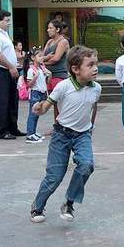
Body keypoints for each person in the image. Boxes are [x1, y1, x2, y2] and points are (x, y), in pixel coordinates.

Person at [29, 45, 101, 223]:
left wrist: (90, 126)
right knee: (54, 176)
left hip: (83, 135)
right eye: (90, 65)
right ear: (75, 69)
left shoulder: (96, 88)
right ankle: (37, 206)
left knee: (86, 165)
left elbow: (93, 106)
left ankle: (69, 202)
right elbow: (47, 104)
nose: (96, 68)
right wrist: (39, 109)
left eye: (96, 64)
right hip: (61, 135)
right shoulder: (63, 86)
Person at [0, 10, 25, 140]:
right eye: (7, 20)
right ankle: (2, 131)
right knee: (1, 102)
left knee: (12, 100)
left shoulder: (4, 34)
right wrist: (10, 66)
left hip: (8, 71)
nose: (9, 23)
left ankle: (12, 128)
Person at [25, 49, 51, 143]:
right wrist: (35, 77)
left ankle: (33, 132)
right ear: (33, 58)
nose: (42, 58)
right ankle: (30, 134)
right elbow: (29, 85)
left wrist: (49, 75)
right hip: (35, 93)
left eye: (42, 56)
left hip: (42, 92)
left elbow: (47, 82)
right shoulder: (31, 70)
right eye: (39, 56)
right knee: (32, 114)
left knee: (37, 113)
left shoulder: (42, 69)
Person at [44, 19, 70, 93]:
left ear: (57, 29)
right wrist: (45, 58)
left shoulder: (63, 41)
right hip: (47, 76)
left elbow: (56, 58)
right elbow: (42, 56)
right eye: (48, 28)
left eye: (50, 28)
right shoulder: (49, 41)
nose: (48, 30)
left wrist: (43, 63)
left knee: (59, 102)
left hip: (59, 75)